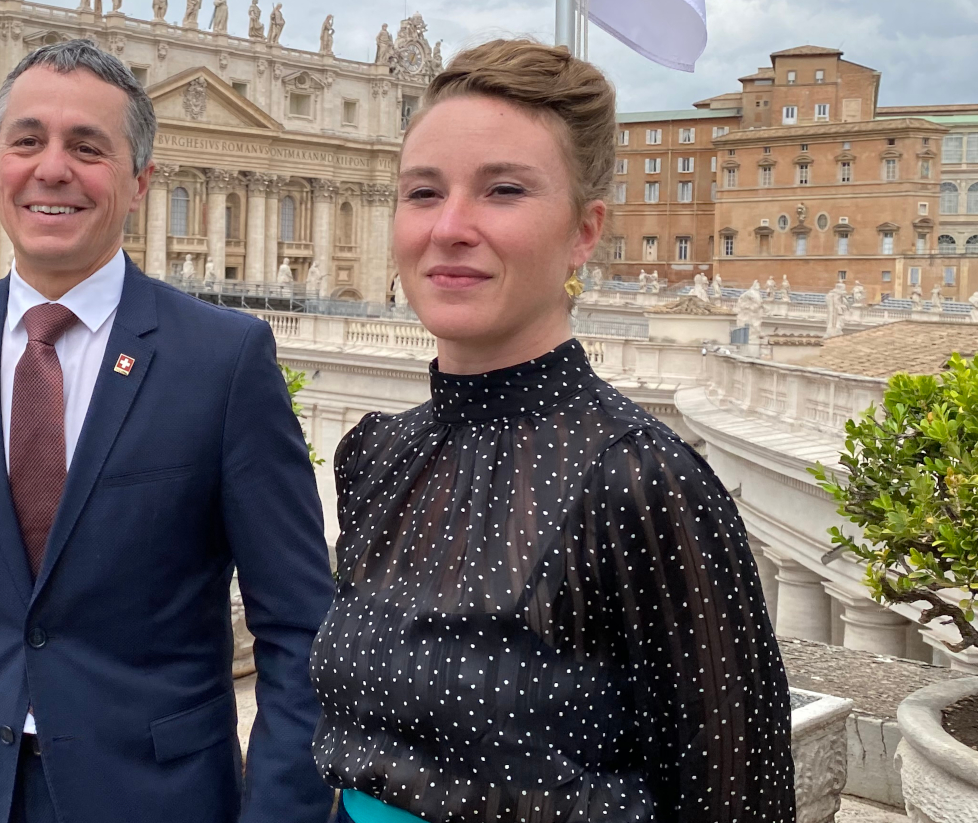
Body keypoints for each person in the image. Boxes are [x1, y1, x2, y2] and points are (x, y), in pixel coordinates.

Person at [0, 39, 336, 823]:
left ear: (139, 182)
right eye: (27, 141)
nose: (52, 168)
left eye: (88, 147)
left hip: (157, 796)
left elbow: (300, 631)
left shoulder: (225, 360)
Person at [310, 39, 796, 823]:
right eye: (423, 192)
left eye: (504, 190)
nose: (452, 226)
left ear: (584, 231)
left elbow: (739, 799)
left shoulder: (641, 479)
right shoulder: (376, 453)